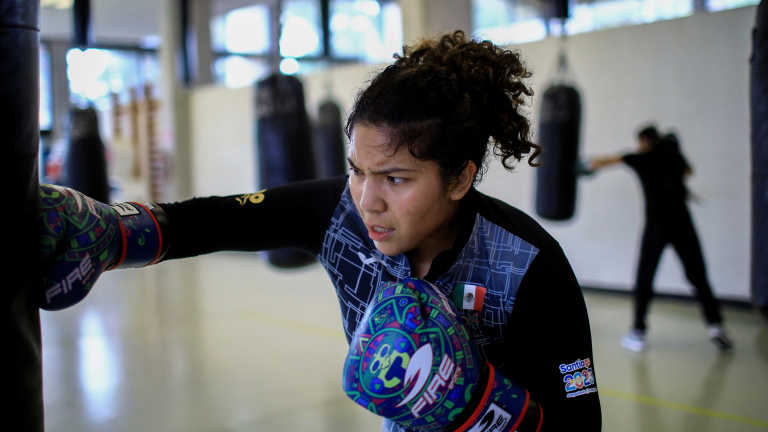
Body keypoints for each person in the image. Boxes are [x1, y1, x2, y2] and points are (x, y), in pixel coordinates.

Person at [38, 31, 601, 431]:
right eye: (356, 170)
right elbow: (214, 219)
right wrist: (116, 232)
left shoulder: (530, 267)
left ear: (459, 178)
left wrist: (481, 407)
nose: (368, 200)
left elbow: (581, 415)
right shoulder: (339, 213)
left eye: (397, 178)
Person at [588, 126, 733, 352]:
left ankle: (638, 331)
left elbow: (608, 160)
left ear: (645, 141)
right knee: (698, 277)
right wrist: (673, 151)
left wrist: (584, 165)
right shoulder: (672, 157)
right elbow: (689, 171)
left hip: (656, 227)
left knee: (644, 279)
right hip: (683, 225)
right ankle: (716, 328)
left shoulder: (641, 158)